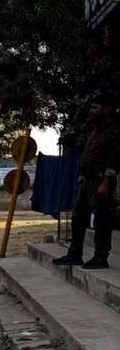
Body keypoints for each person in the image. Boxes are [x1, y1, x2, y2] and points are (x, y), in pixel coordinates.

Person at [54, 90, 120, 270]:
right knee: (78, 217)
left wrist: (106, 182)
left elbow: (115, 159)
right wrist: (82, 177)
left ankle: (101, 257)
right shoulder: (95, 130)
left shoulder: (114, 131)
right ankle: (74, 254)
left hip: (101, 181)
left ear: (107, 110)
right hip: (87, 181)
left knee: (101, 220)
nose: (91, 110)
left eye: (95, 107)